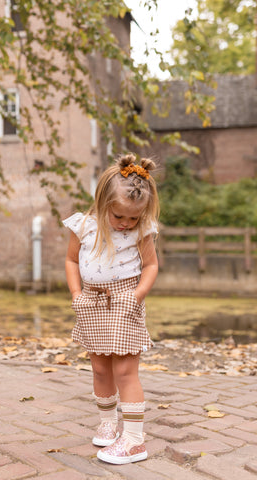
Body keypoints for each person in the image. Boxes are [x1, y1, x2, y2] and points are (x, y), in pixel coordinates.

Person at [62, 153, 159, 465]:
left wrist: (138, 295)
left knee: (125, 370)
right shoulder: (83, 226)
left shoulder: (140, 231)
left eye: (133, 218)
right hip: (91, 300)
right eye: (119, 216)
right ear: (102, 203)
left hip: (124, 301)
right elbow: (72, 260)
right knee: (100, 367)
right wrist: (77, 293)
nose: (126, 223)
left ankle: (133, 441)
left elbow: (151, 266)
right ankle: (108, 423)